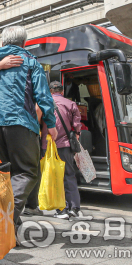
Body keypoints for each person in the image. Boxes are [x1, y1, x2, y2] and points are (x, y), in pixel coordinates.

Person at [0, 25, 57, 231]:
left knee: (2, 174)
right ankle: (6, 219)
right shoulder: (30, 62)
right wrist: (51, 123)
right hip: (21, 124)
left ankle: (10, 227)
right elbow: (43, 97)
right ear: (24, 43)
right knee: (27, 172)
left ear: (3, 43)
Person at [48, 81, 83, 219]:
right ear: (62, 91)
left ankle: (61, 209)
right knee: (69, 175)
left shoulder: (44, 103)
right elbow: (77, 125)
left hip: (49, 146)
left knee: (53, 177)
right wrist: (77, 135)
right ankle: (74, 208)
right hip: (66, 145)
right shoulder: (71, 104)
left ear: (50, 91)